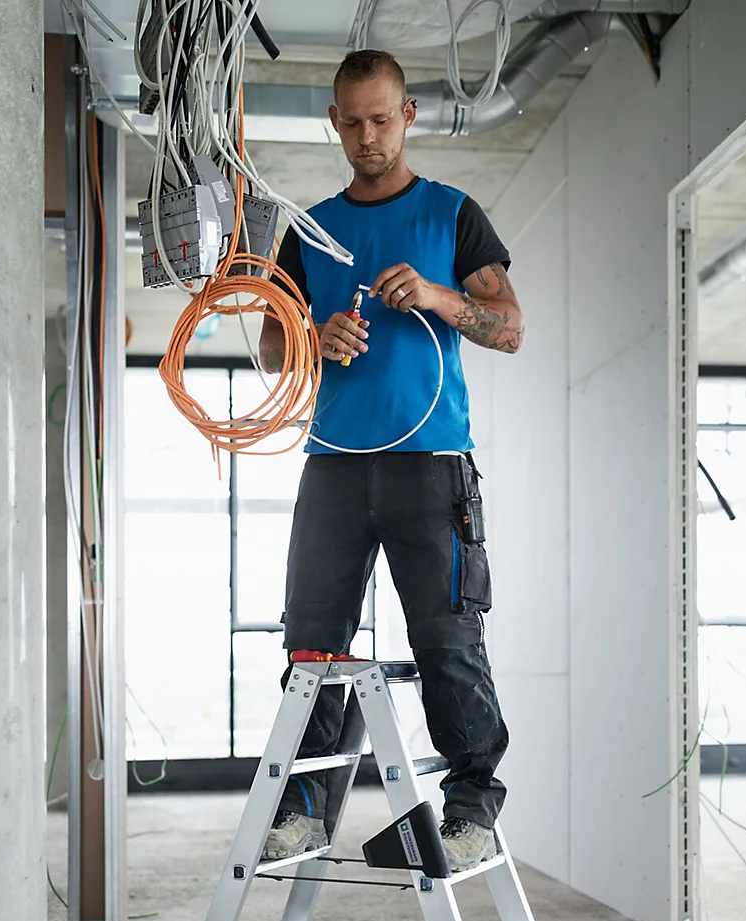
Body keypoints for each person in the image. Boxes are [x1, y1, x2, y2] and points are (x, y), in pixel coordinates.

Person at [258, 48, 524, 873]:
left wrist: (441, 297)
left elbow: (510, 327)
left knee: (449, 643)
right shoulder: (310, 230)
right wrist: (314, 338)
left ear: (407, 115)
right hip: (334, 464)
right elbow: (270, 348)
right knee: (312, 649)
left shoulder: (452, 214)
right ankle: (304, 813)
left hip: (431, 464)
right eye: (353, 123)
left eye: (382, 119)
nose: (368, 137)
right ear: (333, 123)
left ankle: (470, 815)